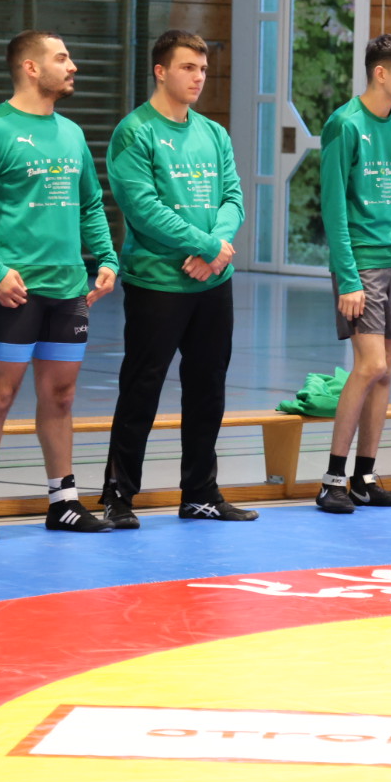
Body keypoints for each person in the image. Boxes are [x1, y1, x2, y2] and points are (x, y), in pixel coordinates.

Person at [0, 31, 119, 540]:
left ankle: (63, 502)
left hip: (68, 289)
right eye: (62, 58)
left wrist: (106, 257)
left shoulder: (71, 133)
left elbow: (90, 203)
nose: (73, 66)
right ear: (30, 67)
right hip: (15, 289)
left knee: (60, 396)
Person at [97, 30, 254, 525]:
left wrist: (216, 252)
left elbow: (233, 198)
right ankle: (118, 496)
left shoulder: (214, 133)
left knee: (208, 387)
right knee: (141, 387)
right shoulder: (135, 132)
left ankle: (200, 493)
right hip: (158, 283)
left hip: (212, 281)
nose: (198, 77)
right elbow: (142, 208)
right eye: (188, 67)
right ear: (161, 71)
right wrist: (207, 245)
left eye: (203, 69)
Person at [312, 34, 391, 513]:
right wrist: (349, 278)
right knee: (370, 365)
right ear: (381, 73)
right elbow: (333, 207)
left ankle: (364, 477)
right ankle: (331, 479)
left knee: (385, 373)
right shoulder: (344, 124)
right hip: (362, 262)